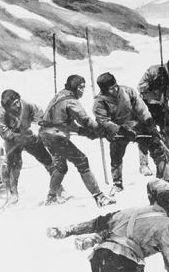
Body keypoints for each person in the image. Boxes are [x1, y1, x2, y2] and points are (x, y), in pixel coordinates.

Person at [39, 75, 115, 207]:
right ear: (74, 87)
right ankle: (99, 197)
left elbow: (65, 122)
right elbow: (84, 120)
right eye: (80, 87)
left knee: (61, 167)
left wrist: (85, 132)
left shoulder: (60, 96)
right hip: (56, 137)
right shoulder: (71, 101)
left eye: (84, 87)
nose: (82, 91)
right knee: (82, 161)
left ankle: (51, 198)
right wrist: (100, 130)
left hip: (45, 134)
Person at [93, 72, 169, 192]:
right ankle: (117, 183)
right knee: (116, 155)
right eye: (111, 88)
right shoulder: (99, 102)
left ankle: (166, 179)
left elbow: (141, 108)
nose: (115, 89)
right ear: (104, 90)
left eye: (115, 86)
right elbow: (104, 121)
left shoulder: (128, 91)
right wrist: (122, 130)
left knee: (156, 145)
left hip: (135, 125)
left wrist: (150, 123)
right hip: (117, 130)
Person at [0, 89, 61, 204]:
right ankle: (13, 193)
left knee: (48, 161)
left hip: (30, 137)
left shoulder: (28, 105)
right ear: (7, 107)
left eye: (17, 101)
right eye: (13, 105)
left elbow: (41, 117)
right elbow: (5, 133)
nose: (17, 105)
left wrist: (42, 126)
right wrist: (19, 137)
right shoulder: (0, 114)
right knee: (14, 166)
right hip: (12, 141)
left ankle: (59, 189)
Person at [137, 53, 169, 177]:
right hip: (147, 105)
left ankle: (167, 159)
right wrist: (153, 85)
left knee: (167, 132)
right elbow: (140, 86)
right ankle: (144, 164)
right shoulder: (155, 70)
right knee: (145, 134)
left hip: (161, 108)